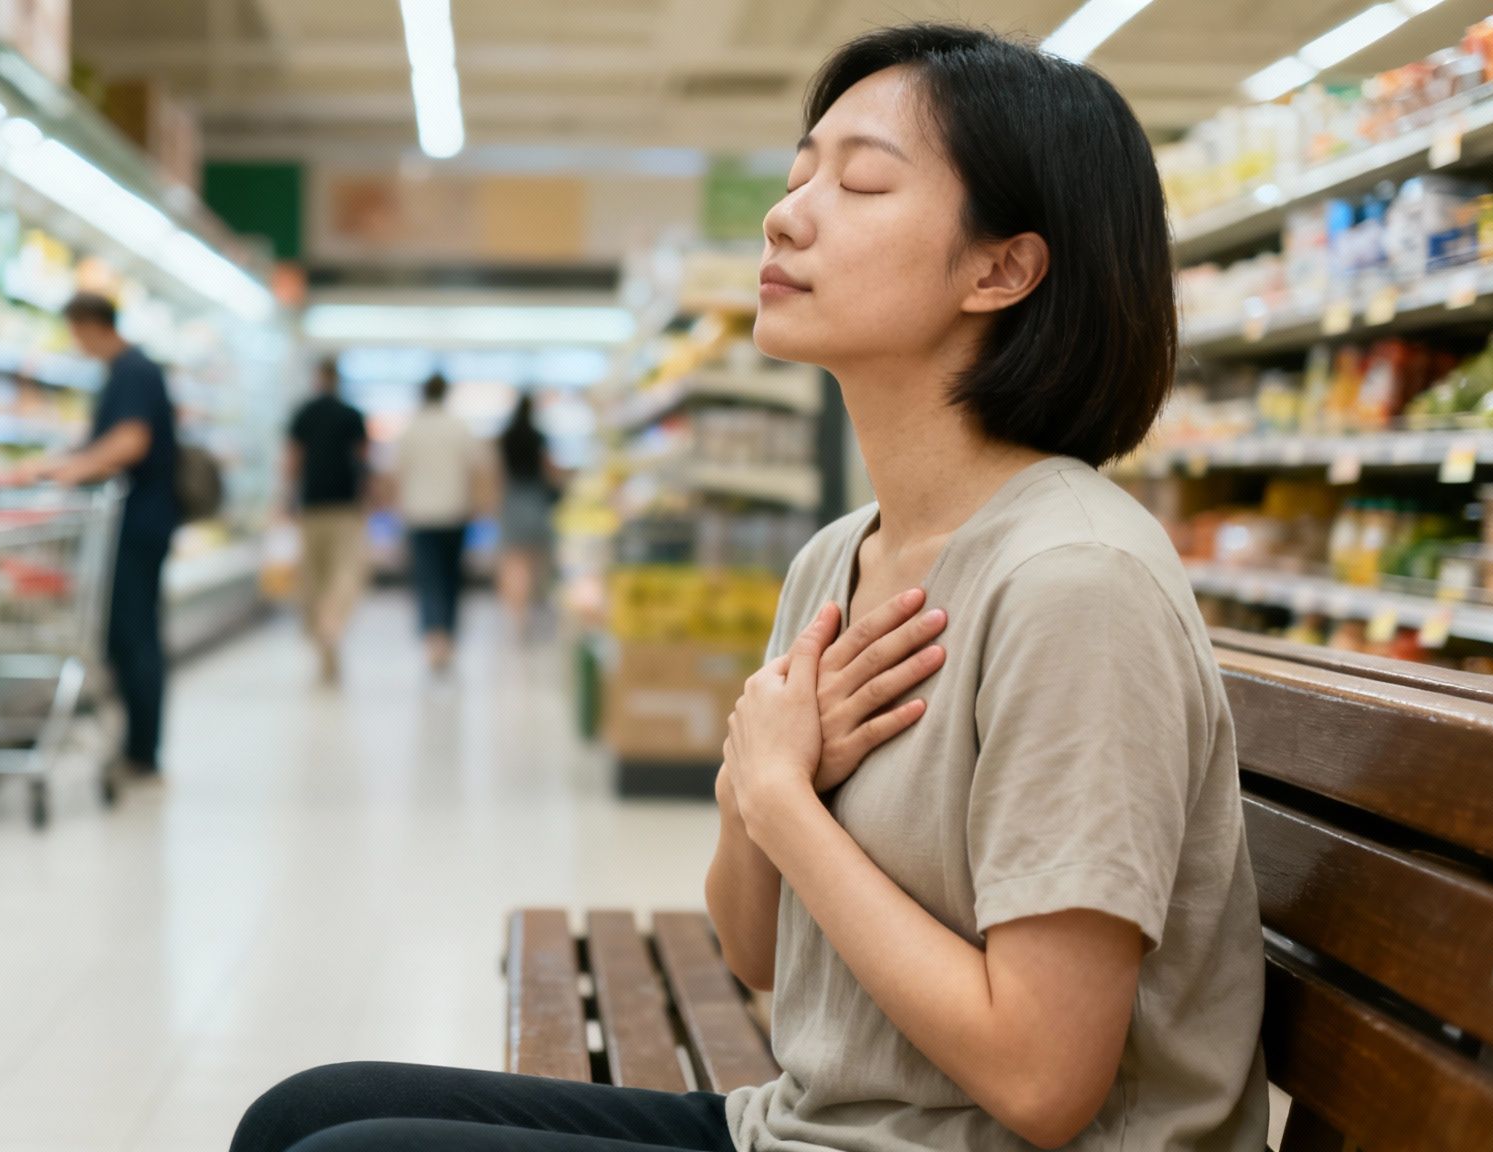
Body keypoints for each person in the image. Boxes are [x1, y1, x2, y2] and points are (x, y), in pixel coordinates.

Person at [231, 21, 1266, 1152]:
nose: (785, 214)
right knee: (301, 1113)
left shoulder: (1072, 583)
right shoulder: (839, 558)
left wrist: (781, 799)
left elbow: (1042, 1077)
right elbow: (753, 950)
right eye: (796, 174)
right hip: (806, 1123)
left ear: (1001, 267)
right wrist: (752, 788)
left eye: (861, 182)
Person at [8, 292, 179, 779]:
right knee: (128, 637)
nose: (76, 343)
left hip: (137, 527)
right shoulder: (128, 371)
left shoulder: (133, 370)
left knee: (135, 638)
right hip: (137, 525)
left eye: (76, 332)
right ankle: (137, 746)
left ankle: (143, 753)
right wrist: (51, 464)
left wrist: (69, 472)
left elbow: (130, 441)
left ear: (90, 325)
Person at [285, 358, 371, 684]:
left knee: (314, 577)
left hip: (312, 507)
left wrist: (287, 498)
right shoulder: (352, 415)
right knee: (346, 572)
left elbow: (293, 458)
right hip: (345, 507)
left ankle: (324, 636)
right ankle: (331, 627)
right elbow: (364, 461)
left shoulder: (304, 413)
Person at [393, 373, 482, 674]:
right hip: (455, 512)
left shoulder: (411, 428)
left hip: (419, 514)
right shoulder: (458, 427)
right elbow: (474, 470)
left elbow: (399, 473)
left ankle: (433, 640)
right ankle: (449, 637)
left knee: (427, 578)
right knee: (451, 578)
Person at [494, 391, 560, 642]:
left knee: (513, 560)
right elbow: (548, 469)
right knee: (535, 561)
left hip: (512, 499)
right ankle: (533, 609)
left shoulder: (505, 436)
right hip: (535, 498)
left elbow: (498, 472)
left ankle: (517, 616)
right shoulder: (538, 436)